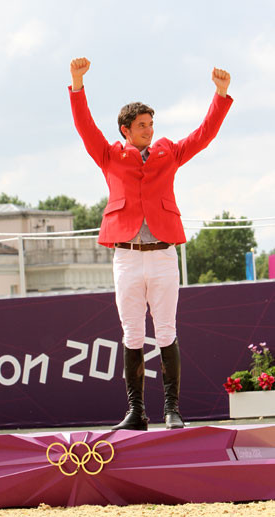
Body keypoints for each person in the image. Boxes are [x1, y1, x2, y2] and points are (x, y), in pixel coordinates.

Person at [69, 57, 233, 430]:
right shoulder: (110, 155)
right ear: (126, 130)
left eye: (151, 124)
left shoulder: (168, 153)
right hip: (126, 258)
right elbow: (85, 128)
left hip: (162, 256)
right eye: (141, 125)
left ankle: (172, 409)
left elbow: (202, 135)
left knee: (166, 332)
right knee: (130, 334)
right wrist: (77, 85)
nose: (148, 129)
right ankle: (136, 412)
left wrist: (220, 96)